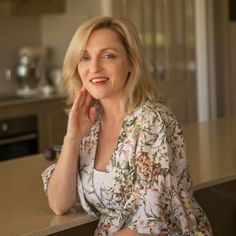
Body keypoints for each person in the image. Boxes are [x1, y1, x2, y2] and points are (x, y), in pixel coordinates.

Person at [42, 16, 212, 236]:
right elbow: (59, 203)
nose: (94, 67)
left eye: (108, 56)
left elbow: (149, 222)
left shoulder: (153, 121)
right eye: (85, 58)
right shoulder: (90, 124)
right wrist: (72, 138)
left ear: (131, 62)